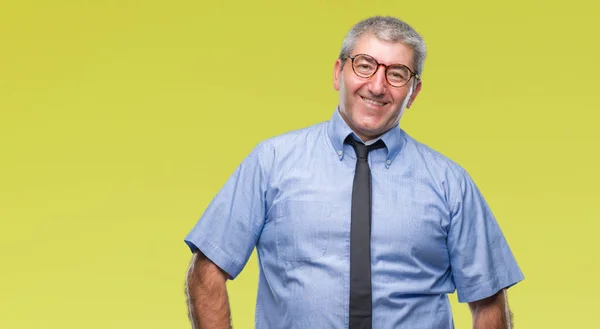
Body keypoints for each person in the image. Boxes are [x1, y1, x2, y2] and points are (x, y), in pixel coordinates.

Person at [184, 16, 524, 329]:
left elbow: (489, 301)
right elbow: (207, 270)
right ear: (338, 73)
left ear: (413, 92)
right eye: (365, 66)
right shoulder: (271, 162)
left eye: (397, 73)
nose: (377, 86)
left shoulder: (450, 183)